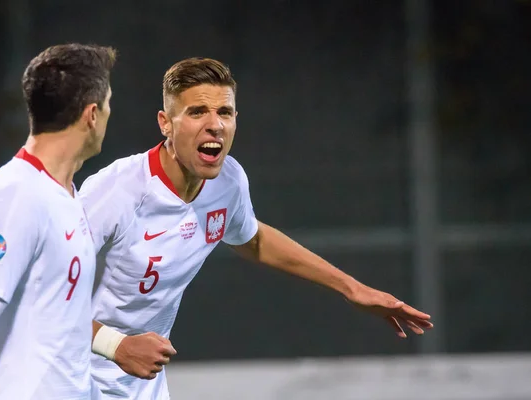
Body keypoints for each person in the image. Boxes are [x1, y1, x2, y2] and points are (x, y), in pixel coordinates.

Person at [81, 57, 433, 400]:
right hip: (72, 377)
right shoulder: (116, 192)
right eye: (197, 112)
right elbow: (40, 298)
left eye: (225, 112)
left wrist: (351, 288)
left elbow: (254, 239)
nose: (214, 124)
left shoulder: (228, 182)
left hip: (141, 383)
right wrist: (118, 346)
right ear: (165, 123)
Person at [0, 43, 116, 400]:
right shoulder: (17, 195)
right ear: (91, 115)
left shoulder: (67, 195)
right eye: (107, 104)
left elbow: (63, 333)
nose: (108, 114)